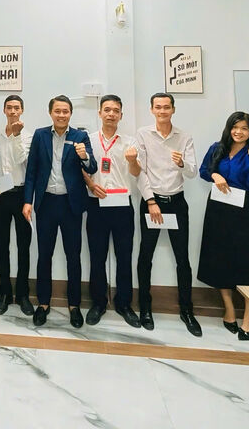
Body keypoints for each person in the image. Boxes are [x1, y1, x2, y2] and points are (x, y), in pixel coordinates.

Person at [128, 92, 201, 336]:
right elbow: (139, 171)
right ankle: (145, 308)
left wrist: (181, 163)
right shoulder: (143, 134)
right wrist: (150, 201)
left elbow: (192, 172)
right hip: (152, 202)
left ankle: (187, 310)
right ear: (152, 110)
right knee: (145, 256)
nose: (162, 111)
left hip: (177, 202)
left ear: (173, 109)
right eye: (158, 107)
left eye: (166, 107)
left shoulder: (184, 136)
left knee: (183, 259)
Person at [22, 95, 95, 328]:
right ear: (51, 113)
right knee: (44, 255)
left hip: (71, 204)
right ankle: (43, 303)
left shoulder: (80, 137)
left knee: (73, 256)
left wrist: (84, 156)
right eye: (57, 111)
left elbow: (92, 167)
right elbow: (32, 171)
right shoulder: (40, 135)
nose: (61, 115)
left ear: (70, 113)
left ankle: (74, 305)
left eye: (65, 111)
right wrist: (28, 201)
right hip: (46, 204)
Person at [197, 112, 249, 340]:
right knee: (220, 259)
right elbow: (203, 171)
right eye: (235, 127)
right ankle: (228, 309)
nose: (239, 132)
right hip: (218, 210)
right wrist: (215, 175)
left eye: (244, 128)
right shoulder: (217, 148)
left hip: (243, 212)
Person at [84, 94, 141, 328]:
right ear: (99, 113)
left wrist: (132, 161)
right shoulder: (88, 140)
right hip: (96, 204)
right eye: (107, 110)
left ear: (121, 115)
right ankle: (98, 303)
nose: (111, 114)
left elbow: (136, 173)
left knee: (124, 256)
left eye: (115, 111)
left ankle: (124, 304)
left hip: (121, 205)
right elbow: (80, 168)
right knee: (97, 256)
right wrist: (90, 184)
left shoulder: (130, 142)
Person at [0, 94, 33, 316]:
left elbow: (20, 160)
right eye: (9, 107)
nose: (13, 111)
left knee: (23, 247)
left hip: (21, 194)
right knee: (1, 245)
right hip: (1, 195)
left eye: (16, 107)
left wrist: (16, 136)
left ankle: (23, 294)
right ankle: (5, 293)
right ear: (4, 110)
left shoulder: (28, 136)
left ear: (22, 110)